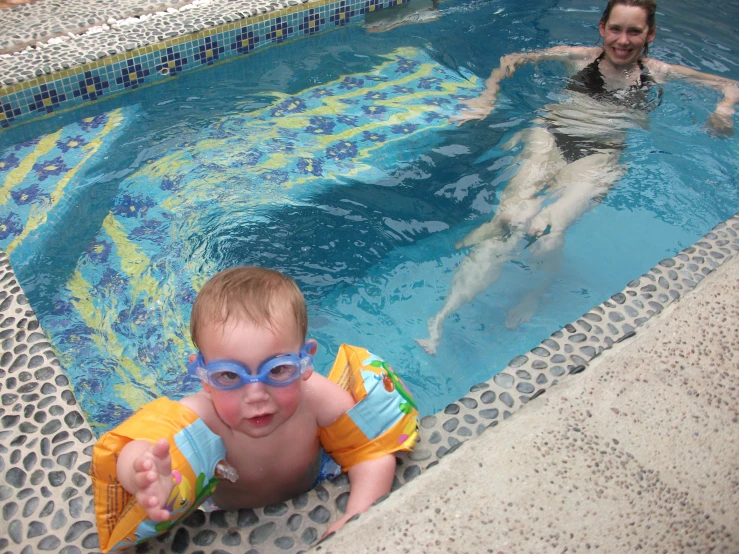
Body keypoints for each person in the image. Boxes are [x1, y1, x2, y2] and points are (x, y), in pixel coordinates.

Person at [415, 0, 739, 355]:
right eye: (616, 29)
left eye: (634, 31)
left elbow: (730, 83)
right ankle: (440, 321)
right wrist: (486, 98)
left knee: (548, 227)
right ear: (602, 28)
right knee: (510, 219)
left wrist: (723, 109)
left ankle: (534, 293)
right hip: (550, 135)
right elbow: (512, 59)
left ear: (650, 34)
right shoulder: (577, 57)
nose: (623, 40)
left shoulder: (658, 72)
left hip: (599, 154)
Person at [92, 266, 418, 551]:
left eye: (278, 369)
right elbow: (139, 445)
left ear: (305, 361)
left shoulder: (317, 397)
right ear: (204, 378)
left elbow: (369, 451)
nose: (256, 394)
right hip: (222, 516)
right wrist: (144, 475)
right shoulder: (204, 417)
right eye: (229, 375)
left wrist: (357, 517)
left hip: (317, 483)